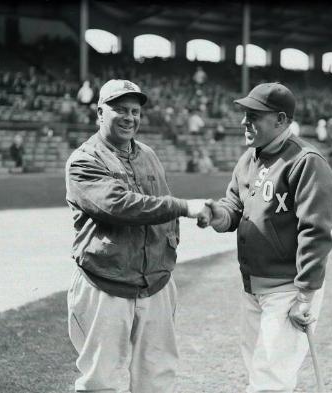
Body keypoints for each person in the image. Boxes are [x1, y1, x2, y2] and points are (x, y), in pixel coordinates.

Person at [65, 79, 209, 393]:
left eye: (135, 110)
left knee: (156, 378)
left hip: (155, 284)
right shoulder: (83, 160)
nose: (130, 117)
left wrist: (169, 249)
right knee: (100, 380)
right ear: (100, 113)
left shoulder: (148, 155)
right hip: (105, 284)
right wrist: (184, 207)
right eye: (120, 109)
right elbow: (119, 206)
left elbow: (162, 203)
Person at [198, 82, 332, 393]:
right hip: (253, 286)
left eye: (254, 116)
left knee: (269, 381)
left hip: (288, 288)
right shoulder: (249, 158)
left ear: (281, 120)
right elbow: (234, 206)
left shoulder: (306, 161)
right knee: (258, 372)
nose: (244, 122)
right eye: (245, 114)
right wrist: (216, 214)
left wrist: (305, 297)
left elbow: (315, 233)